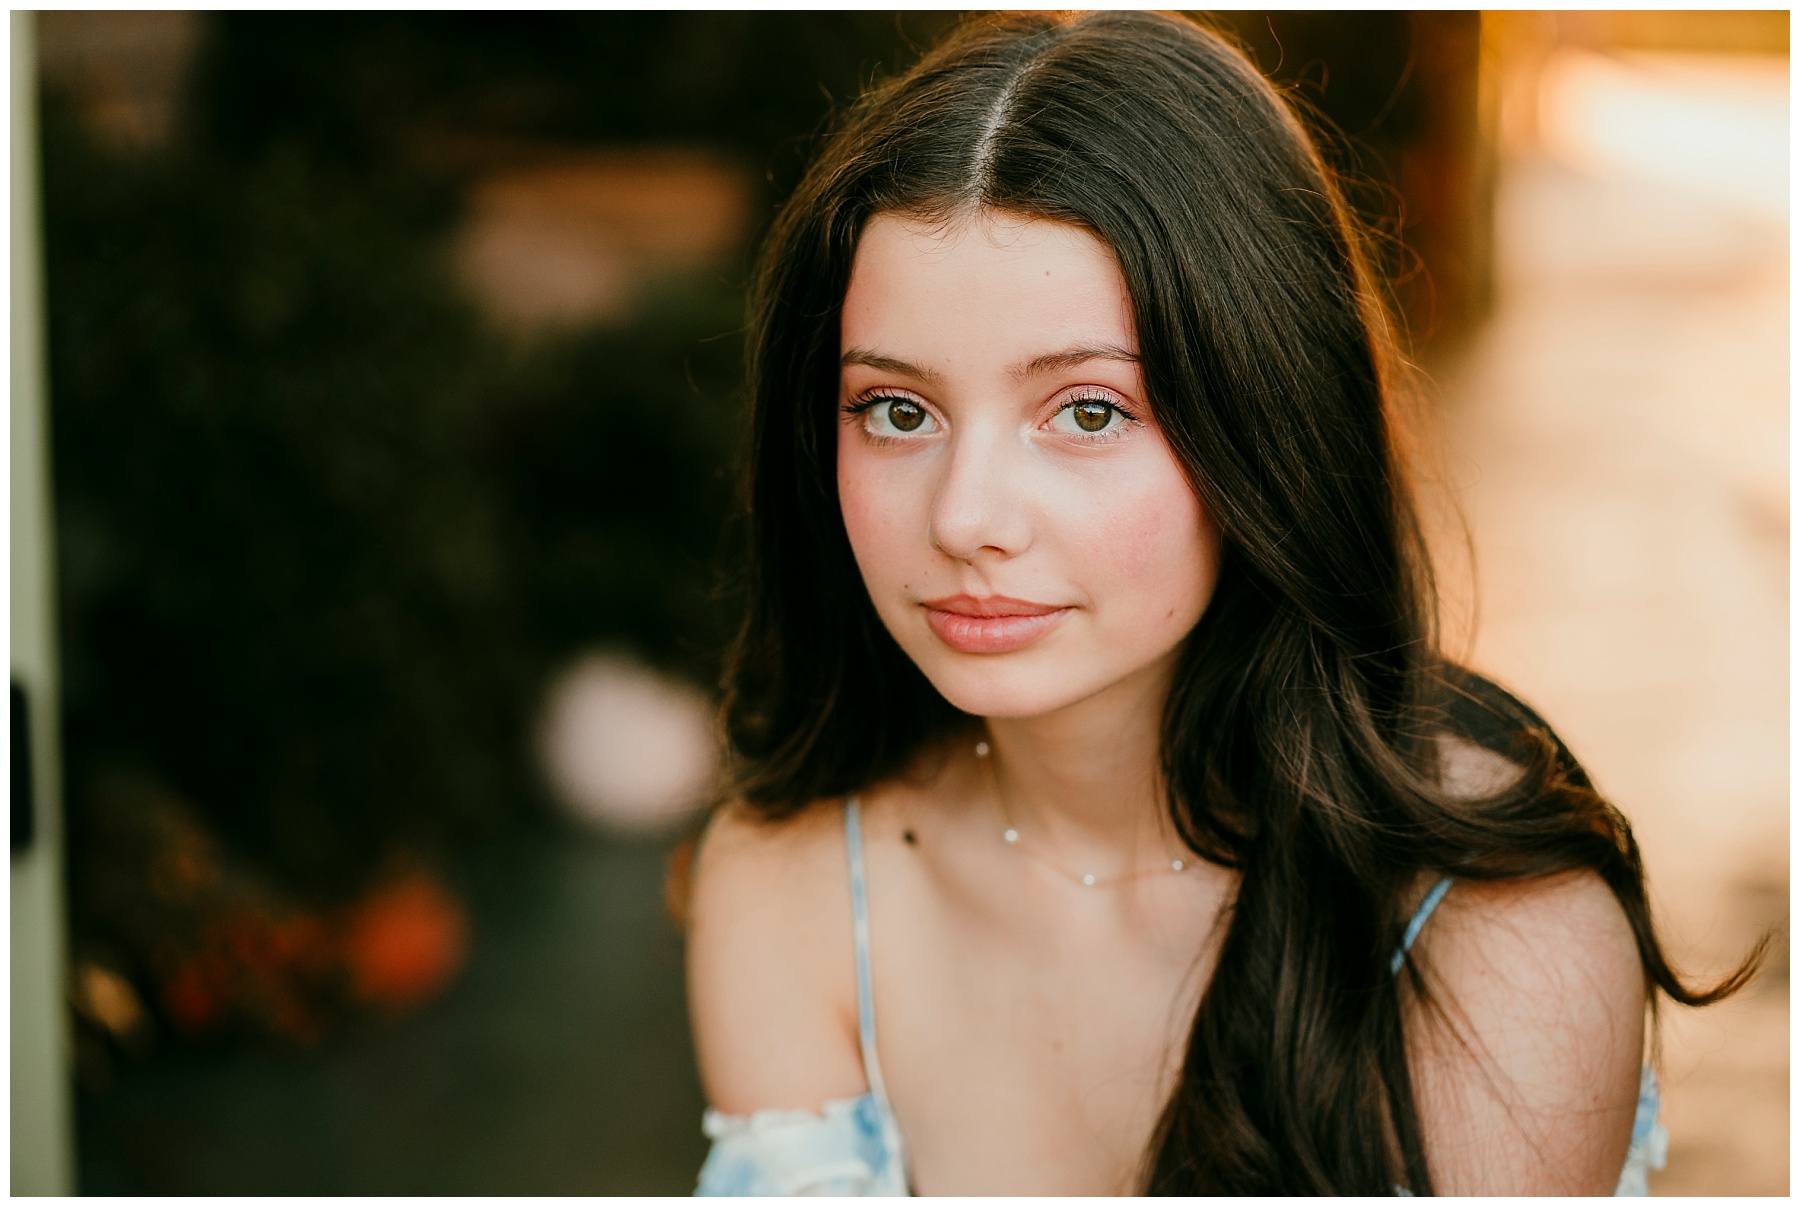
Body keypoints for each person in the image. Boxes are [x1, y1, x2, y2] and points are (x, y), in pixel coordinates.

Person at [682, 11, 1756, 1196]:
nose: (963, 515)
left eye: (1087, 411)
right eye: (896, 409)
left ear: (1268, 419)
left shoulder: (1499, 938)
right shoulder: (792, 886)